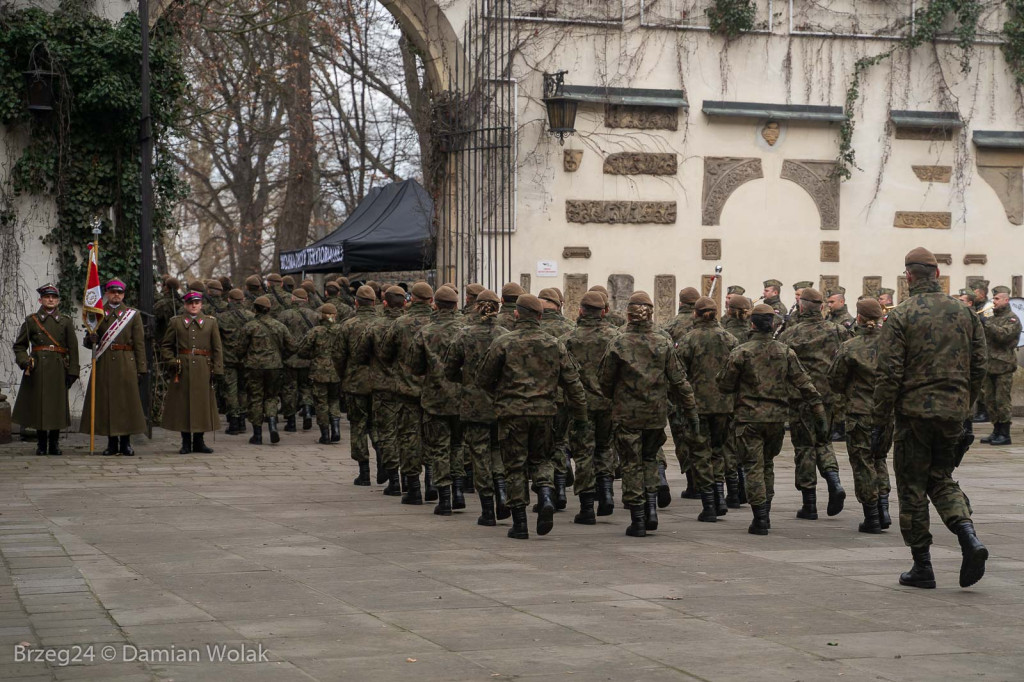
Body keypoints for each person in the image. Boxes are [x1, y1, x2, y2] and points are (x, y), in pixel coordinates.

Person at [871, 246, 988, 589]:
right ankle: (968, 536)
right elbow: (980, 365)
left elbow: (888, 373)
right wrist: (965, 405)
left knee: (912, 486)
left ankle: (922, 566)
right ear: (937, 274)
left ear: (908, 276)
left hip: (914, 414)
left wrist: (880, 422)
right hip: (953, 411)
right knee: (940, 476)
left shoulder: (902, 314)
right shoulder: (965, 313)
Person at [476, 294, 587, 539]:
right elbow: (572, 382)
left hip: (512, 413)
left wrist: (501, 395)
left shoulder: (504, 343)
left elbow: (482, 379)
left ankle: (520, 524)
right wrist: (580, 416)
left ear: (516, 314)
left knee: (515, 466)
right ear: (539, 316)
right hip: (545, 413)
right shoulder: (554, 343)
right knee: (541, 460)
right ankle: (546, 495)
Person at [718, 303, 826, 535]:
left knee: (753, 466)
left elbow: (724, 384)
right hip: (777, 418)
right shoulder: (785, 352)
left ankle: (760, 517)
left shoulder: (742, 352)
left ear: (753, 324)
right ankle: (765, 508)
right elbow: (803, 382)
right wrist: (818, 407)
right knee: (767, 464)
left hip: (749, 418)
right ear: (773, 325)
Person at [600, 291, 698, 537]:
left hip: (627, 413)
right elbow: (679, 380)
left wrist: (618, 395)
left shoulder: (618, 342)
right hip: (656, 413)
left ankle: (639, 519)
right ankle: (652, 508)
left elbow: (604, 380)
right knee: (650, 458)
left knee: (632, 464)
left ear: (629, 315)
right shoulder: (663, 342)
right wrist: (690, 410)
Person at [778, 287, 850, 520]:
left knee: (804, 447)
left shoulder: (791, 334)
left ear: (801, 307)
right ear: (821, 307)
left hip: (801, 398)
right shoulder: (838, 330)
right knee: (823, 441)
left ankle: (809, 504)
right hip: (828, 397)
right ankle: (834, 481)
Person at [445, 289, 510, 526]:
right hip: (501, 403)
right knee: (498, 451)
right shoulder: (505, 335)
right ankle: (503, 493)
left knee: (479, 454)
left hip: (473, 404)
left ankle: (488, 510)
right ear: (498, 308)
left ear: (476, 306)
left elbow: (449, 369)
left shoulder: (464, 335)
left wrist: (467, 380)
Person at [827, 298, 893, 533]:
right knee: (879, 459)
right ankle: (884, 508)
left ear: (860, 318)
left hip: (859, 412)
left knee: (863, 462)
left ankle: (873, 516)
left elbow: (834, 379)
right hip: (886, 413)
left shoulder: (851, 346)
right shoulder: (893, 344)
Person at [675, 296, 738, 521]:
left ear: (696, 314)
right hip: (724, 405)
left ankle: (710, 504)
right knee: (718, 451)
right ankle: (720, 496)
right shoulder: (730, 338)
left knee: (700, 453)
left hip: (697, 406)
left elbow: (679, 374)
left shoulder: (689, 339)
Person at [561, 290, 620, 523]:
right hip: (608, 402)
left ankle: (587, 507)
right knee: (605, 447)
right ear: (604, 312)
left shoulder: (568, 339)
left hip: (580, 405)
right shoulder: (616, 338)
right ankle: (606, 492)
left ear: (580, 311)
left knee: (583, 454)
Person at [407, 286, 465, 515]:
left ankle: (445, 498)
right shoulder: (466, 330)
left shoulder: (426, 332)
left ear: (435, 304)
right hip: (463, 398)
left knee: (439, 448)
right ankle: (459, 490)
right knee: (458, 445)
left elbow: (416, 367)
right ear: (456, 305)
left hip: (435, 398)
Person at [380, 281, 435, 504]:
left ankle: (413, 488)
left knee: (409, 437)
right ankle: (433, 482)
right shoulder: (439, 323)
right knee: (434, 438)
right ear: (431, 300)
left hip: (407, 389)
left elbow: (384, 353)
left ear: (411, 299)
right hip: (435, 391)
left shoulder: (400, 323)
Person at [79, 279, 147, 456]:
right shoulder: (98, 314)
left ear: (124, 295)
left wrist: (141, 368)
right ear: (107, 294)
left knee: (126, 403)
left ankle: (126, 443)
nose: (116, 295)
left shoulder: (133, 315)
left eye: (120, 292)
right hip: (105, 362)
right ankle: (111, 443)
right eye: (112, 292)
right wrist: (90, 340)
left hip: (126, 362)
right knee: (107, 402)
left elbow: (139, 343)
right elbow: (89, 340)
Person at [12, 284, 80, 456]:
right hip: (38, 368)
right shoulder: (31, 321)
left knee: (56, 405)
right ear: (40, 300)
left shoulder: (65, 321)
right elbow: (19, 346)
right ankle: (41, 444)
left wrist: (73, 370)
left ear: (58, 301)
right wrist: (24, 361)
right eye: (47, 297)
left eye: (54, 297)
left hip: (58, 368)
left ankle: (54, 443)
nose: (51, 300)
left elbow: (73, 348)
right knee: (40, 405)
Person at [352, 285, 406, 495]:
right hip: (411, 387)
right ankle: (418, 483)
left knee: (387, 432)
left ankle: (394, 480)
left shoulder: (375, 327)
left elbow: (359, 356)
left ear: (384, 303)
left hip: (383, 387)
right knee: (411, 434)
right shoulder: (416, 325)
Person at [160, 290, 224, 454]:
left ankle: (199, 441)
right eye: (190, 303)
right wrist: (172, 361)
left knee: (202, 404)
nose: (194, 305)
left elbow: (217, 348)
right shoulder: (176, 322)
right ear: (185, 305)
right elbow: (166, 346)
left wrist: (217, 369)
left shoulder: (211, 322)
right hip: (183, 368)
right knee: (184, 404)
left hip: (204, 367)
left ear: (201, 304)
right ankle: (186, 442)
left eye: (196, 302)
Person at [236, 295, 296, 444]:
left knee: (255, 398)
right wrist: (281, 356)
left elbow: (239, 349)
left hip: (254, 367)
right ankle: (272, 426)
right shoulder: (279, 326)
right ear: (269, 309)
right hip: (275, 366)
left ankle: (257, 434)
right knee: (272, 397)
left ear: (254, 309)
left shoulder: (249, 326)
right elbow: (292, 346)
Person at [336, 285, 380, 480]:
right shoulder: (383, 323)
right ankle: (383, 463)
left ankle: (364, 472)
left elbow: (338, 356)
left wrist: (344, 375)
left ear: (356, 303)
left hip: (355, 382)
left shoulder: (347, 325)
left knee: (358, 425)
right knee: (378, 425)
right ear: (375, 302)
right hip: (380, 383)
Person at [538, 287, 576, 510]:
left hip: (535, 398)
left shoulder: (531, 328)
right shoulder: (570, 328)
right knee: (560, 442)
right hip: (562, 397)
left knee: (541, 448)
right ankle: (561, 486)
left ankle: (547, 491)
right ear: (558, 304)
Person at [664, 287, 700, 500]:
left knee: (682, 437)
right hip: (706, 393)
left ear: (680, 302)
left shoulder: (670, 326)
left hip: (677, 392)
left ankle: (692, 481)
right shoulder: (710, 325)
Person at [979, 286, 1021, 446]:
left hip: (1003, 366)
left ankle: (1005, 433)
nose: (994, 302)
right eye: (993, 299)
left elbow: (1003, 336)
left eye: (997, 299)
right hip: (990, 365)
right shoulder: (993, 318)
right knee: (990, 400)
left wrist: (986, 324)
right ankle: (996, 430)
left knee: (1002, 400)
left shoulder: (1012, 319)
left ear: (1006, 300)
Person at [297, 304, 343, 446]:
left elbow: (302, 351)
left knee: (321, 402)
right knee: (334, 400)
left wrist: (315, 355)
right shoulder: (342, 331)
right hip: (337, 370)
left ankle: (325, 434)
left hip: (319, 371)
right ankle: (336, 428)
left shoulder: (315, 331)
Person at [277, 288, 319, 432]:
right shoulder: (315, 315)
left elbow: (279, 336)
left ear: (293, 299)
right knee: (306, 386)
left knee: (289, 388)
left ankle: (291, 421)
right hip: (308, 358)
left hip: (290, 359)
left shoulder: (284, 315)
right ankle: (307, 410)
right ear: (306, 299)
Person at [218, 289, 254, 435]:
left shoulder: (222, 317)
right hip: (246, 359)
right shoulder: (251, 316)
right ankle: (243, 421)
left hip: (228, 359)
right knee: (243, 389)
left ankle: (234, 421)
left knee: (230, 390)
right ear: (243, 300)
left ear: (229, 300)